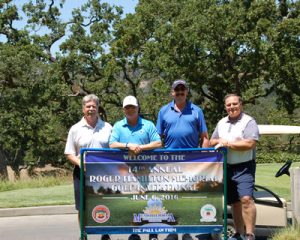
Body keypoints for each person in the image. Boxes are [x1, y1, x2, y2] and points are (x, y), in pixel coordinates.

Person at [156, 79, 209, 240]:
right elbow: (158, 137)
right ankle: (172, 232)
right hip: (170, 162)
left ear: (187, 92)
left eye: (182, 90)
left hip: (191, 162)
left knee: (188, 197)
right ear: (172, 92)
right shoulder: (164, 111)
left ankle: (186, 231)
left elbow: (205, 137)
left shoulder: (196, 111)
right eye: (176, 90)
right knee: (172, 197)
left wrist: (203, 157)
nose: (179, 92)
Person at [109, 95, 162, 240]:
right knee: (132, 200)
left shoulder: (148, 124)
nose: (130, 110)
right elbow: (112, 143)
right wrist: (128, 146)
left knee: (150, 200)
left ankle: (153, 233)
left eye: (133, 107)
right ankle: (134, 232)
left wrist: (141, 148)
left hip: (148, 171)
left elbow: (158, 143)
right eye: (127, 107)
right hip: (127, 172)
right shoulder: (119, 125)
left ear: (138, 108)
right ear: (123, 110)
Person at [210, 94, 259, 240]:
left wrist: (228, 144)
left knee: (246, 199)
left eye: (234, 104)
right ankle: (238, 233)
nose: (232, 107)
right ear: (225, 107)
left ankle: (250, 234)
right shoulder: (222, 122)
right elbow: (212, 141)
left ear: (241, 104)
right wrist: (220, 141)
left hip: (244, 166)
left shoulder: (248, 121)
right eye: (229, 105)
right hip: (226, 167)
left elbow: (250, 143)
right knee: (235, 202)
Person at [64, 94, 112, 240]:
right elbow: (69, 153)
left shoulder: (108, 127)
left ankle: (105, 234)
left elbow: (114, 150)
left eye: (94, 106)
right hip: (82, 173)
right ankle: (83, 234)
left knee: (104, 202)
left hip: (104, 173)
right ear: (83, 108)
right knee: (82, 207)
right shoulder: (75, 129)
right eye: (88, 106)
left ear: (98, 108)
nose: (91, 109)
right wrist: (80, 163)